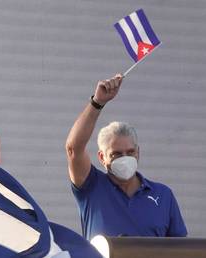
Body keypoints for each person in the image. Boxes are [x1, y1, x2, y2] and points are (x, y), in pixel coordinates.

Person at [65, 74, 187, 240]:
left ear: (138, 152)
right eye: (116, 154)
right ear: (102, 157)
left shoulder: (163, 195)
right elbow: (74, 149)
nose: (125, 158)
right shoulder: (91, 187)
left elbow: (181, 249)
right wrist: (97, 102)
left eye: (130, 152)